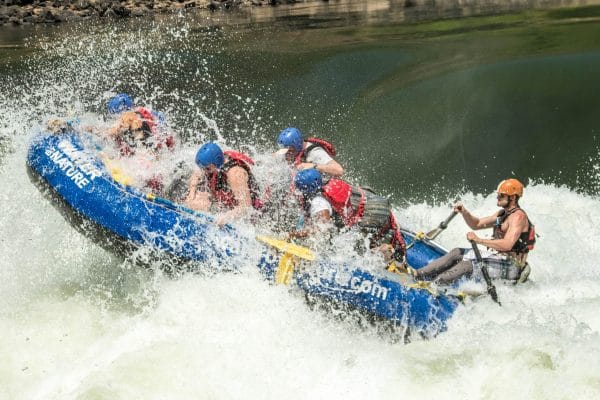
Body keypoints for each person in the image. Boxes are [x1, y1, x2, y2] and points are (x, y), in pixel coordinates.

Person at [410, 178, 536, 285]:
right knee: (457, 252)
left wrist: (479, 240)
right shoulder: (502, 214)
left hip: (512, 266)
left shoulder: (518, 217)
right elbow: (476, 224)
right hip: (498, 259)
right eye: (498, 194)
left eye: (501, 195)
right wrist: (464, 212)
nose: (497, 197)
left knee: (467, 266)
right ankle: (417, 274)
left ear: (513, 198)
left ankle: (434, 285)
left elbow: (507, 244)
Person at [289, 169, 406, 263]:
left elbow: (323, 228)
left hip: (372, 214)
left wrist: (293, 235)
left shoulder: (318, 202)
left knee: (356, 252)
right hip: (377, 204)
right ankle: (388, 249)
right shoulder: (327, 183)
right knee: (355, 238)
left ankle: (387, 253)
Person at [184, 142, 263, 226]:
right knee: (198, 200)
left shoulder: (235, 174)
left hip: (255, 210)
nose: (203, 171)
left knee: (204, 204)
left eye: (207, 168)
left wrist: (225, 217)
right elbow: (196, 175)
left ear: (217, 163)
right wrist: (191, 194)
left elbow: (246, 207)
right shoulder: (211, 165)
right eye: (202, 168)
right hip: (231, 201)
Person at [276, 127, 344, 179]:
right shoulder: (292, 153)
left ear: (298, 145)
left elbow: (339, 170)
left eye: (290, 150)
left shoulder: (315, 152)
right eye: (284, 150)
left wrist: (313, 166)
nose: (286, 155)